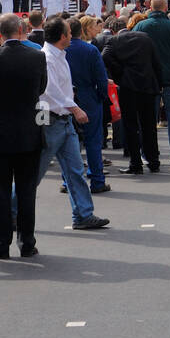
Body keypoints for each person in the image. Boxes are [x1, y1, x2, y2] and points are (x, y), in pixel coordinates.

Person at [0, 14, 48, 258]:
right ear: (21, 30)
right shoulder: (38, 57)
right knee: (27, 192)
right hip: (29, 133)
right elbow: (41, 88)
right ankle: (27, 243)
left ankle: (1, 244)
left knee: (1, 192)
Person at [38, 17, 109, 232]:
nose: (72, 36)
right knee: (33, 173)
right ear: (61, 37)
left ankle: (83, 215)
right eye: (69, 33)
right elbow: (49, 91)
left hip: (64, 121)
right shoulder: (47, 58)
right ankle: (11, 212)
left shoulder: (60, 55)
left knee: (76, 171)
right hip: (50, 121)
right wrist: (74, 107)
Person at [135, 0, 170, 165]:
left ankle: (147, 154)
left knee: (148, 118)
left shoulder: (141, 26)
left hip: (148, 78)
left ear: (150, 7)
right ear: (165, 7)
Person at [103, 19, 163, 175]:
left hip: (128, 87)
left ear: (113, 30)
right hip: (148, 86)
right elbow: (156, 62)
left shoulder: (114, 40)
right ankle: (153, 160)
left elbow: (104, 57)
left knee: (131, 125)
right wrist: (159, 84)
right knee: (149, 125)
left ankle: (135, 162)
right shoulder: (145, 38)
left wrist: (120, 73)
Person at [65, 18, 111, 197]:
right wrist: (101, 97)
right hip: (89, 96)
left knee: (69, 142)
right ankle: (97, 180)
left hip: (67, 98)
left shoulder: (59, 51)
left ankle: (67, 180)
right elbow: (101, 77)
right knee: (93, 141)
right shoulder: (90, 50)